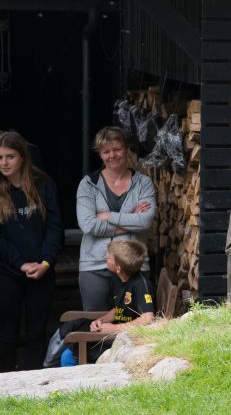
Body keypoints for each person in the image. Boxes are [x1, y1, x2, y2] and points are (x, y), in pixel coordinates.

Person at [0, 131, 63, 372]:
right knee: (7, 334)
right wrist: (20, 264)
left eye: (10, 157)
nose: (4, 163)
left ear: (23, 158)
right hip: (7, 271)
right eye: (0, 158)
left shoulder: (44, 185)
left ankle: (33, 387)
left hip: (42, 269)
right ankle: (5, 387)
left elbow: (55, 227)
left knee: (36, 332)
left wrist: (46, 261)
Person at [76, 126, 156, 311]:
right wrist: (130, 221)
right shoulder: (88, 184)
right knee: (96, 326)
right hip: (95, 265)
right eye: (106, 151)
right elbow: (88, 225)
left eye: (117, 149)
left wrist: (108, 216)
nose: (112, 155)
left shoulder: (143, 183)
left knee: (135, 324)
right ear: (100, 154)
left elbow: (145, 221)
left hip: (134, 264)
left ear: (127, 149)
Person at [57, 239, 155, 366]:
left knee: (68, 356)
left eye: (108, 258)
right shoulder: (117, 280)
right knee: (71, 341)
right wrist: (101, 321)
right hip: (114, 334)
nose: (105, 258)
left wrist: (115, 328)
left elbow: (148, 318)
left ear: (118, 268)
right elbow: (118, 309)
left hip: (128, 339)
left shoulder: (141, 284)